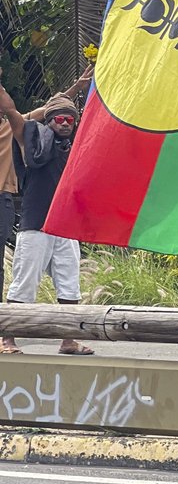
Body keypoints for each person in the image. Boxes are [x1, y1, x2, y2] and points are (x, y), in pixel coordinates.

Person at [0, 66, 98, 356]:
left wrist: (81, 89)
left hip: (64, 226)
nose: (66, 122)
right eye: (60, 119)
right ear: (49, 121)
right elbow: (12, 110)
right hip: (36, 224)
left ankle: (67, 341)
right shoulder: (29, 139)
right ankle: (7, 340)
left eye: (71, 119)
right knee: (24, 283)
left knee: (70, 285)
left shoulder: (75, 146)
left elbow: (67, 110)